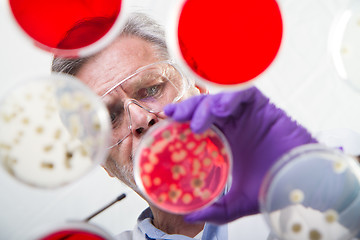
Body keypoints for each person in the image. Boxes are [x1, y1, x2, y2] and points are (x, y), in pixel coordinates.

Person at [52, 12, 317, 239]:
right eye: (110, 117)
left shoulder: (320, 177)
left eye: (151, 89)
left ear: (198, 89)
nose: (142, 119)